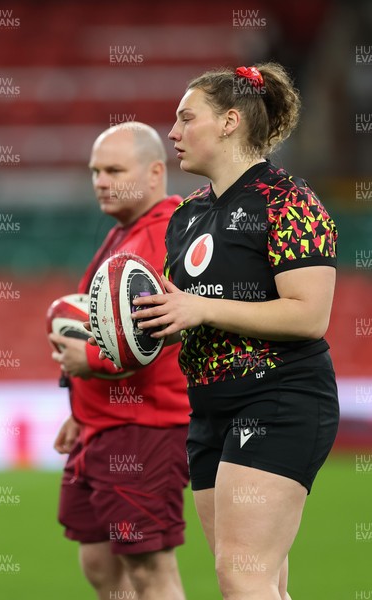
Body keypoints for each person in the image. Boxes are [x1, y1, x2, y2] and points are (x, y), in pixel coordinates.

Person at [129, 64, 340, 600]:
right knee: (259, 582)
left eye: (185, 118)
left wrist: (200, 306)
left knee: (240, 577)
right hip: (209, 410)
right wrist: (154, 325)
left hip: (279, 398)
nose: (172, 133)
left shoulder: (289, 200)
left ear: (228, 121)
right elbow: (195, 313)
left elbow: (308, 316)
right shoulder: (187, 215)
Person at [49, 123, 190, 600]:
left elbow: (159, 334)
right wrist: (79, 412)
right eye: (94, 171)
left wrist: (88, 359)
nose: (100, 181)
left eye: (114, 170)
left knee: (149, 569)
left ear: (155, 172)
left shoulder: (165, 234)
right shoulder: (124, 235)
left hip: (143, 426)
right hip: (103, 424)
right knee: (99, 562)